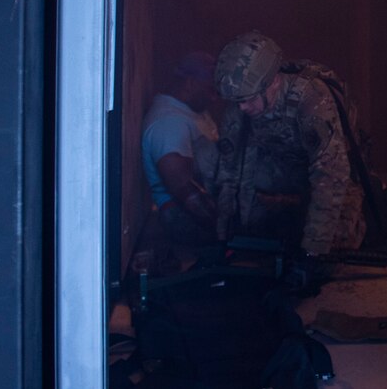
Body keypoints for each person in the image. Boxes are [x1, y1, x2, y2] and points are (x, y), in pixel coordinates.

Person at [212, 30, 367, 258]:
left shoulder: (313, 100)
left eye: (248, 100)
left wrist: (313, 251)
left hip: (331, 175)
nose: (242, 108)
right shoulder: (241, 103)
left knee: (336, 247)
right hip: (283, 171)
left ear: (274, 82)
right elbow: (229, 172)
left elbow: (331, 174)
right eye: (238, 102)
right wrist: (225, 236)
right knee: (261, 237)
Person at [140, 51, 220, 247]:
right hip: (189, 226)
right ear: (190, 83)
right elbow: (186, 193)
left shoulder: (189, 110)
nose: (214, 98)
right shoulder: (169, 122)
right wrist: (226, 231)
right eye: (210, 90)